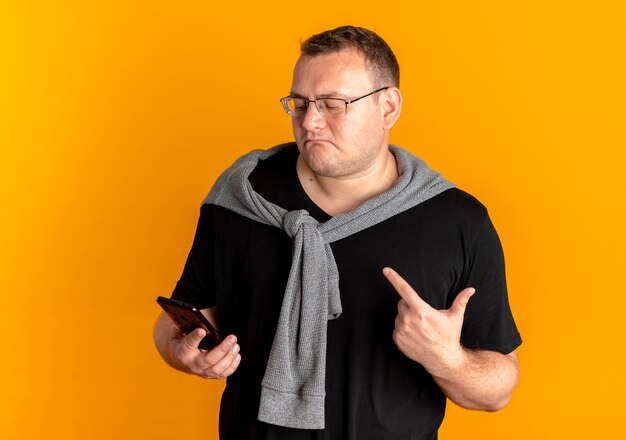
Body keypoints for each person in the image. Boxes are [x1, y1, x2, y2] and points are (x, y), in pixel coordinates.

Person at [153, 25, 521, 439]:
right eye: (300, 102)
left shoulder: (457, 221)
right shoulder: (240, 198)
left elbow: (498, 388)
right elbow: (179, 322)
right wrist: (181, 352)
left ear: (389, 107)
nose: (310, 121)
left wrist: (445, 357)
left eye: (333, 103)